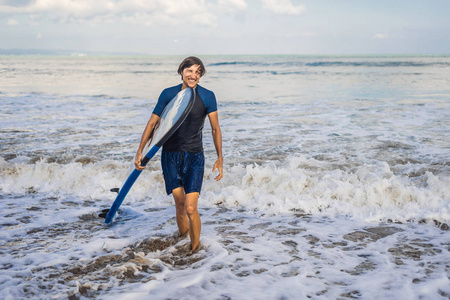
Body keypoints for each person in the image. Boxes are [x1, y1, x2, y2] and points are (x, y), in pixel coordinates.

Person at [134, 56, 223, 251]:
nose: (194, 75)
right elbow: (152, 123)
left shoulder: (208, 96)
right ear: (182, 71)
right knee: (180, 206)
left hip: (195, 156)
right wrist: (140, 151)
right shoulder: (168, 94)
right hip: (171, 156)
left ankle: (194, 250)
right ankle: (182, 242)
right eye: (190, 71)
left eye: (198, 72)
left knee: (191, 208)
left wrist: (220, 158)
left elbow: (215, 129)